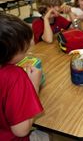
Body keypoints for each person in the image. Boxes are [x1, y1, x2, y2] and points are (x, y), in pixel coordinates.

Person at [0, 13, 48, 141]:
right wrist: (34, 85)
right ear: (9, 51)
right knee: (47, 135)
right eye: (24, 50)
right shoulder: (15, 75)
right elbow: (21, 130)